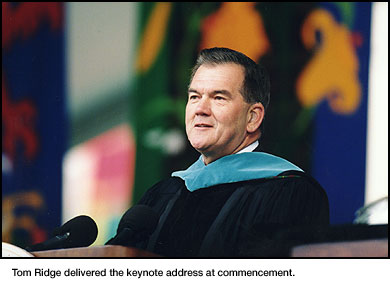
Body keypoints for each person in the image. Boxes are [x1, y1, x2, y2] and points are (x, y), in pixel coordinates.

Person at [134, 47, 329, 257]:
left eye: (218, 98)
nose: (200, 109)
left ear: (253, 117)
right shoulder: (163, 195)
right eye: (194, 97)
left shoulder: (288, 191)